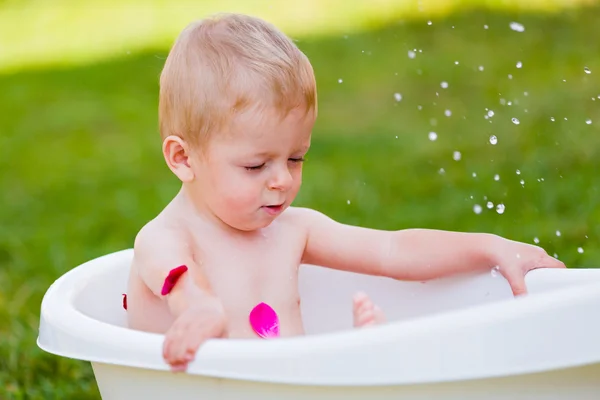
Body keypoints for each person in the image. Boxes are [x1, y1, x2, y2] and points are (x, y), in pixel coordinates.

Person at [125, 13, 566, 372]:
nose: (282, 180)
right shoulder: (165, 238)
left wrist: (489, 247)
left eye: (296, 158)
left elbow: (392, 250)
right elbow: (182, 284)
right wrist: (201, 312)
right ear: (183, 158)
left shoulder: (293, 230)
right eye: (256, 165)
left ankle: (362, 363)